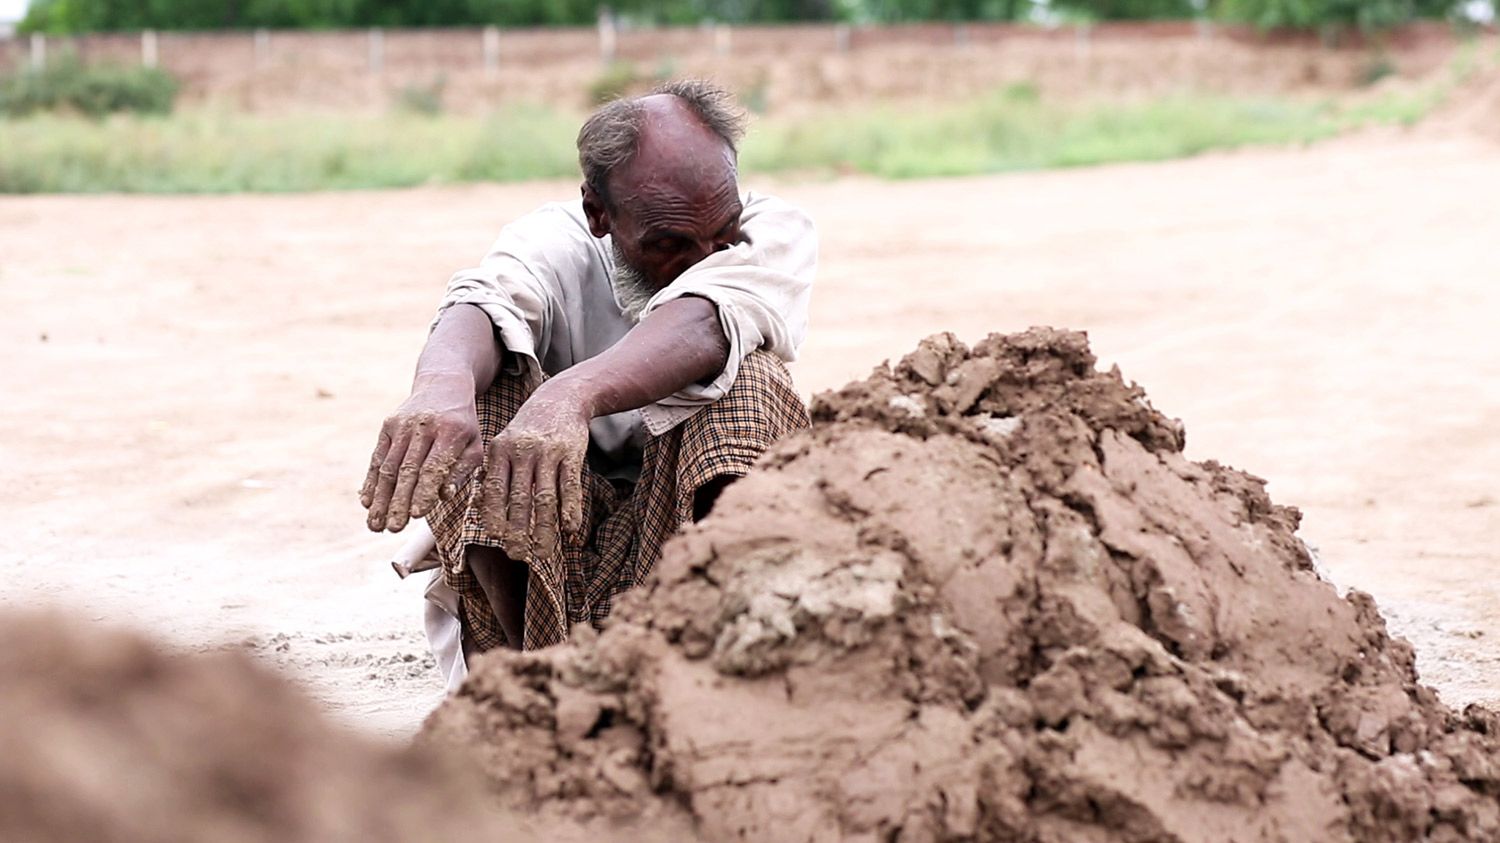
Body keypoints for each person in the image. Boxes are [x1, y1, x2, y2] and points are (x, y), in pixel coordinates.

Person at [358, 80, 817, 666]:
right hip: (555, 539)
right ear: (598, 213)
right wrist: (438, 391)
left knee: (750, 383)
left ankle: (729, 659)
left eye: (719, 232)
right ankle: (530, 680)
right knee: (482, 404)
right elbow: (482, 301)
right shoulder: (555, 240)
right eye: (670, 243)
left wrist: (571, 396)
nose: (705, 255)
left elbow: (705, 321)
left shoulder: (775, 232)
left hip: (689, 534)